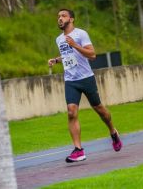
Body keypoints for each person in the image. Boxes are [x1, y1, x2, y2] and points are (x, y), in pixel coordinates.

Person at [48, 9, 122, 163]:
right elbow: (68, 56)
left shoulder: (81, 34)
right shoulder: (59, 39)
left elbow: (92, 55)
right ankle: (78, 150)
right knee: (71, 112)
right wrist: (56, 60)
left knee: (100, 110)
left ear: (72, 19)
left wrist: (74, 44)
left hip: (86, 78)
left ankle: (113, 132)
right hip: (70, 80)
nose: (60, 19)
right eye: (58, 17)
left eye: (63, 16)